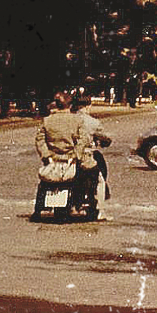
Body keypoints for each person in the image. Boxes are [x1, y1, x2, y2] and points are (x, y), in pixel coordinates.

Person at [33, 92, 88, 220]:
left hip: (52, 159)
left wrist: (46, 155)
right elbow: (83, 139)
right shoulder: (77, 120)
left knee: (45, 183)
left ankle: (38, 208)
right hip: (70, 159)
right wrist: (76, 154)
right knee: (80, 179)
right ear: (70, 105)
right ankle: (77, 204)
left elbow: (40, 140)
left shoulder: (47, 121)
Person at [73, 91, 112, 205]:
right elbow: (105, 139)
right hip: (85, 155)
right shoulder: (93, 122)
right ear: (88, 106)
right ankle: (99, 205)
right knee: (101, 174)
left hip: (68, 154)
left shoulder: (70, 119)